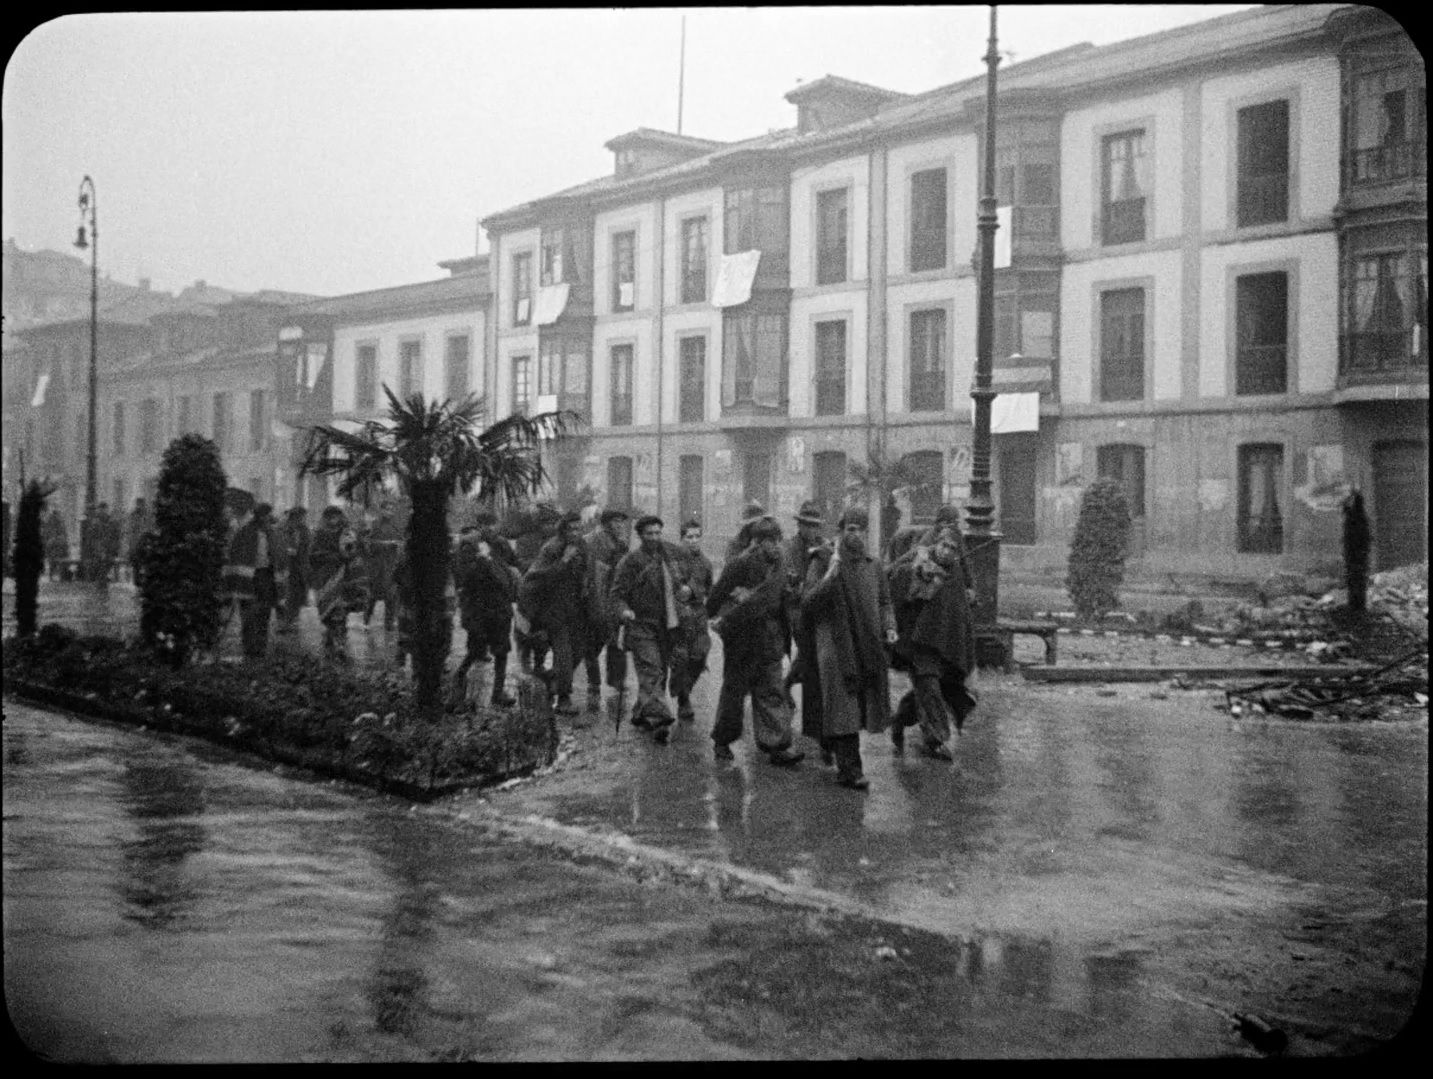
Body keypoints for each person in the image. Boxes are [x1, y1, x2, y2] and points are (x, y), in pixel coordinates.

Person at [800, 505, 896, 790]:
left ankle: (829, 742)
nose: (857, 535)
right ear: (840, 532)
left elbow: (884, 602)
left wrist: (889, 626)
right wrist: (830, 576)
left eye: (862, 530)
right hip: (835, 646)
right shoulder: (824, 561)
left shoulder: (873, 565)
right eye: (851, 529)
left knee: (855, 707)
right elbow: (808, 603)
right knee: (844, 707)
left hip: (866, 644)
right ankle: (850, 771)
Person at [705, 516, 804, 767]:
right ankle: (722, 740)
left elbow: (781, 598)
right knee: (734, 693)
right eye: (768, 541)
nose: (774, 546)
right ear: (756, 542)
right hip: (742, 638)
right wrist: (715, 618)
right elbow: (716, 596)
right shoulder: (740, 564)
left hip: (771, 637)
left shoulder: (781, 563)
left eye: (777, 540)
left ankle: (778, 745)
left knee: (772, 691)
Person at [887, 509, 978, 760]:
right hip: (918, 641)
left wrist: (971, 593)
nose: (947, 551)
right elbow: (894, 573)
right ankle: (936, 739)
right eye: (944, 546)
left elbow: (961, 604)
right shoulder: (921, 557)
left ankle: (899, 720)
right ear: (937, 541)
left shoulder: (957, 570)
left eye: (952, 548)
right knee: (929, 687)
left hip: (945, 643)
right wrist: (918, 575)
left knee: (938, 690)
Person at [609, 515, 694, 742]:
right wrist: (624, 611)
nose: (655, 537)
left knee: (660, 672)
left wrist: (688, 589)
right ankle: (658, 722)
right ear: (640, 536)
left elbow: (692, 574)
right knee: (652, 670)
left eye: (658, 532)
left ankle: (641, 711)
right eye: (649, 534)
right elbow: (617, 595)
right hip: (641, 626)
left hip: (668, 625)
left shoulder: (672, 554)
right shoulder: (630, 562)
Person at [521, 510, 591, 716]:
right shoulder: (552, 548)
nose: (575, 533)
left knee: (579, 650)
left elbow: (587, 570)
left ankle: (555, 680)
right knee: (564, 653)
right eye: (571, 529)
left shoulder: (582, 546)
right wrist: (564, 561)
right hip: (553, 610)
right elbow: (538, 578)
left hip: (575, 608)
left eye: (579, 529)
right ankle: (563, 698)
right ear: (563, 530)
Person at [453, 511, 520, 707]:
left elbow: (514, 563)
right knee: (476, 648)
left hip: (500, 604)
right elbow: (463, 575)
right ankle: (459, 677)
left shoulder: (501, 543)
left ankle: (498, 693)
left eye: (493, 524)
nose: (490, 528)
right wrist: (481, 564)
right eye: (486, 524)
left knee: (502, 650)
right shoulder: (469, 545)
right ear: (479, 525)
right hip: (479, 605)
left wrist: (513, 572)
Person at [583, 506, 632, 705]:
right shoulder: (595, 542)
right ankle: (595, 682)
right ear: (606, 524)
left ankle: (615, 680)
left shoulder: (618, 543)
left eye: (622, 521)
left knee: (614, 641)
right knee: (595, 642)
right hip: (597, 598)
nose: (620, 525)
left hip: (612, 597)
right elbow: (596, 576)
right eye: (615, 521)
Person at [782, 500, 828, 709]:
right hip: (797, 608)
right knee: (809, 651)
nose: (812, 529)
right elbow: (788, 583)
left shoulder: (824, 545)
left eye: (815, 525)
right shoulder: (789, 549)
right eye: (807, 525)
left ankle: (787, 683)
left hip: (817, 607)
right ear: (799, 525)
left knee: (812, 652)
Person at [224, 502, 284, 660]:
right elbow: (236, 555)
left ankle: (260, 649)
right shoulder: (245, 532)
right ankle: (250, 649)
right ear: (260, 516)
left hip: (267, 577)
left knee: (264, 614)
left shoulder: (272, 533)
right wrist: (235, 583)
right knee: (249, 615)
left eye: (269, 514)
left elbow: (278, 555)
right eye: (267, 514)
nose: (270, 517)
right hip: (249, 579)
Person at [671, 519, 714, 723]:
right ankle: (683, 699)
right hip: (678, 616)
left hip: (698, 615)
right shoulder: (672, 560)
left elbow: (710, 589)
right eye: (689, 537)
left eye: (697, 536)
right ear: (682, 538)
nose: (694, 541)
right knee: (681, 659)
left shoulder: (705, 562)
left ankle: (685, 689)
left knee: (700, 655)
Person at [309, 506, 359, 662]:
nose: (333, 520)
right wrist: (328, 556)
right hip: (324, 578)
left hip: (343, 577)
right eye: (330, 517)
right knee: (326, 610)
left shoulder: (347, 532)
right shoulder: (319, 534)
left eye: (336, 516)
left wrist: (347, 553)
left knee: (340, 610)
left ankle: (339, 641)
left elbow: (353, 553)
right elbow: (312, 555)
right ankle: (331, 635)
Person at [362, 504, 402, 630]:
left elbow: (401, 542)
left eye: (391, 509)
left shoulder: (395, 526)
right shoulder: (374, 525)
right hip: (377, 566)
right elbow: (367, 544)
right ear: (382, 510)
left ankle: (389, 623)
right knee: (373, 595)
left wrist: (398, 545)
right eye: (387, 509)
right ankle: (366, 620)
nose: (389, 512)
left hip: (391, 566)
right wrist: (385, 544)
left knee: (392, 595)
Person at [277, 506, 312, 632]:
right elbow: (283, 544)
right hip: (289, 566)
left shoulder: (302, 530)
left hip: (299, 566)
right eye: (301, 517)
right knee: (288, 594)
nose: (303, 519)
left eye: (303, 517)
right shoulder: (287, 529)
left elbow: (304, 547)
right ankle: (287, 621)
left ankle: (291, 621)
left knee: (296, 594)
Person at [723, 500, 773, 565]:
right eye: (754, 524)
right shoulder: (736, 543)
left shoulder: (767, 541)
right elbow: (731, 565)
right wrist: (749, 550)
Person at [125, 497, 153, 584]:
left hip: (144, 543)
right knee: (136, 565)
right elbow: (129, 530)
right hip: (136, 544)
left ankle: (143, 582)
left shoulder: (147, 515)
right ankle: (137, 583)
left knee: (144, 564)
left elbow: (149, 528)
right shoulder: (133, 515)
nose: (139, 506)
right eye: (138, 504)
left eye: (141, 504)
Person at [43, 506, 69, 581]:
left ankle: (57, 575)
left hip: (55, 545)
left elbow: (62, 534)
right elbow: (48, 534)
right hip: (54, 545)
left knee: (55, 560)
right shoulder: (56, 522)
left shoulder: (54, 521)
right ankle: (55, 575)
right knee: (54, 560)